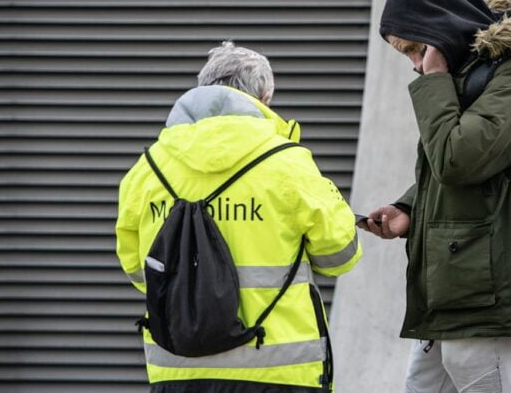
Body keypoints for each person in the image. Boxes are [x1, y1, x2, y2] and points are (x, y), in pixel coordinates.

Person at [358, 0, 511, 393]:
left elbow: (460, 159)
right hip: (451, 273)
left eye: (417, 50)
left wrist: (435, 80)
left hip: (485, 277)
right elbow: (452, 170)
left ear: (439, 26)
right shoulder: (472, 74)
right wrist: (408, 207)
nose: (417, 65)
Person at [115, 41, 361, 392]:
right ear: (265, 96)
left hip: (178, 369)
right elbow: (340, 255)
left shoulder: (147, 168)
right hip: (279, 369)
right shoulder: (287, 163)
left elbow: (139, 270)